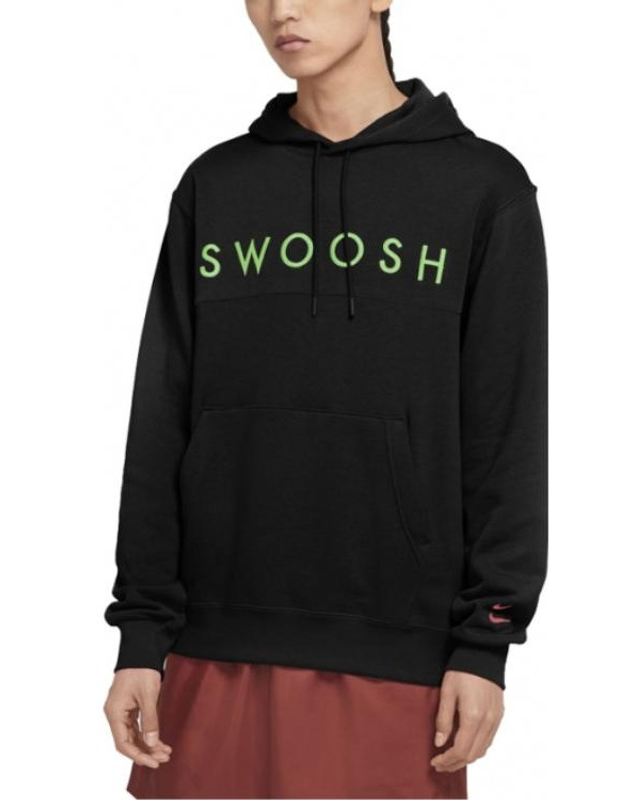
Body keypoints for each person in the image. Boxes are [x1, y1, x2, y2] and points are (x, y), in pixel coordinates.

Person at [102, 2, 548, 798]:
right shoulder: (215, 186)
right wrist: (140, 634)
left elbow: (505, 431)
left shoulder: (483, 189)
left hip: (397, 654)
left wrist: (486, 641)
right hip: (212, 644)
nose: (282, 10)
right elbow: (160, 415)